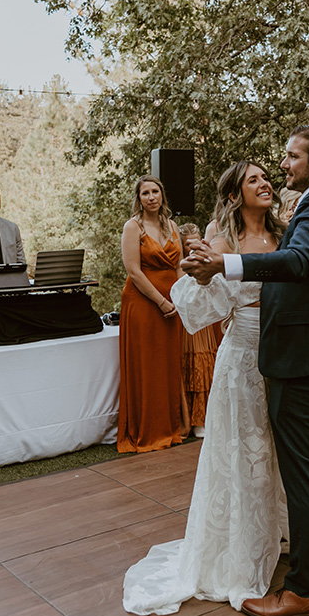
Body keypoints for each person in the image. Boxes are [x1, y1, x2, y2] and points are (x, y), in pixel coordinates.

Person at [182, 125, 309, 616]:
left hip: (308, 359)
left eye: (291, 157)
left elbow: (302, 262)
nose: (283, 166)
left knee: (303, 469)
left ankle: (306, 590)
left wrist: (224, 262)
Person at [122, 160, 295, 615]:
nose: (265, 183)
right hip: (242, 355)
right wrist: (200, 275)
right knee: (246, 449)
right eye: (253, 179)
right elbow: (199, 307)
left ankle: (288, 529)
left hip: (288, 354)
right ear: (236, 193)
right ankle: (244, 551)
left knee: (286, 447)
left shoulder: (286, 232)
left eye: (266, 177)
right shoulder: (223, 240)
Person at [117, 175, 187, 453]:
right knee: (147, 366)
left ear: (162, 195)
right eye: (145, 193)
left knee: (168, 365)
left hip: (173, 304)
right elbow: (133, 271)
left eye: (155, 191)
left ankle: (170, 428)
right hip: (145, 304)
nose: (151, 197)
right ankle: (148, 431)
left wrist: (181, 298)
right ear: (139, 198)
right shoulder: (132, 227)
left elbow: (179, 265)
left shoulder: (172, 225)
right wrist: (161, 302)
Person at [177, 223, 219, 440]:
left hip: (205, 319)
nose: (193, 246)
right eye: (187, 243)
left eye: (197, 240)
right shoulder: (180, 265)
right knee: (191, 364)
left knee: (206, 363)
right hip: (187, 322)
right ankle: (192, 419)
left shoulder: (207, 259)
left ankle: (204, 417)